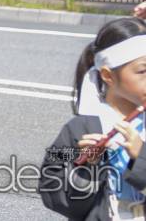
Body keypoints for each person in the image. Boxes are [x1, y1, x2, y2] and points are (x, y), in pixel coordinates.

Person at [40, 18, 146, 218]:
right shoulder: (80, 129)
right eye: (143, 71)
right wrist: (85, 167)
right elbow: (51, 190)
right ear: (108, 75)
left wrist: (141, 155)